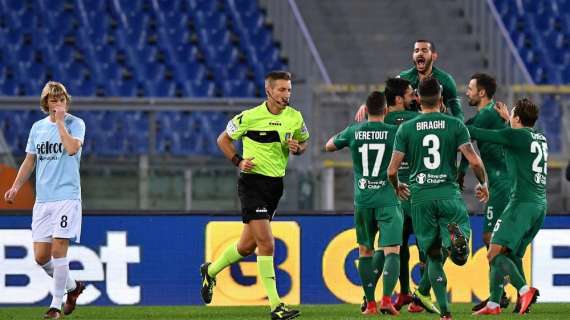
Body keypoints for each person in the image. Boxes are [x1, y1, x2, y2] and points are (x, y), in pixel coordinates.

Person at [200, 71, 308, 320]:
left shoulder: (295, 118)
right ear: (269, 91)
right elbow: (223, 140)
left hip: (275, 187)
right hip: (252, 185)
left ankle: (211, 271)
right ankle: (276, 306)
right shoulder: (248, 117)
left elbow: (303, 143)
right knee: (267, 244)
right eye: (281, 90)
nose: (286, 95)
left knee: (247, 246)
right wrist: (238, 160)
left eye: (289, 90)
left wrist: (297, 149)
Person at [387, 78, 488, 320]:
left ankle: (445, 312)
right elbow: (474, 160)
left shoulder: (406, 129)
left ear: (419, 99)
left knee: (432, 255)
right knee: (460, 255)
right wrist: (483, 183)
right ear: (441, 100)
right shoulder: (455, 125)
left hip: (420, 198)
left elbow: (391, 170)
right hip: (448, 193)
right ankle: (457, 242)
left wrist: (398, 185)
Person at [4, 81, 86, 319]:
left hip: (67, 197)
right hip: (43, 201)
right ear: (46, 103)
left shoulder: (75, 123)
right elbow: (30, 160)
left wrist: (61, 123)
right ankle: (73, 288)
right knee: (41, 257)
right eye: (53, 100)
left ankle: (55, 306)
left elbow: (71, 149)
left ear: (66, 102)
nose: (58, 104)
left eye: (61, 100)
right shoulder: (37, 128)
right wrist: (16, 187)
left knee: (59, 250)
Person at [324, 91, 402, 315]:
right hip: (387, 199)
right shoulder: (394, 132)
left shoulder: (354, 131)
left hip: (363, 200)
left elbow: (329, 145)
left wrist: (352, 135)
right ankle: (387, 299)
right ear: (386, 111)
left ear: (366, 110)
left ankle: (370, 304)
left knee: (365, 251)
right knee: (392, 251)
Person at [469, 98, 545, 315]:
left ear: (518, 119)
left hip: (521, 204)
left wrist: (451, 124)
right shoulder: (540, 137)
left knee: (493, 253)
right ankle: (494, 304)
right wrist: (507, 118)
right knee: (510, 255)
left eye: (512, 114)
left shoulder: (513, 135)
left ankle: (524, 289)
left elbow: (477, 133)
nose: (508, 116)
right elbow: (523, 132)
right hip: (539, 206)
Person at [460, 73, 511, 312]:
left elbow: (462, 133)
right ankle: (501, 294)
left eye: (470, 89)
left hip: (503, 183)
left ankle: (503, 294)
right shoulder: (487, 115)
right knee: (497, 241)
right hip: (499, 182)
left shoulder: (489, 114)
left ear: (482, 93)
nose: (467, 92)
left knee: (492, 239)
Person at [382, 78, 424, 313]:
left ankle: (404, 291)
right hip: (418, 190)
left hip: (394, 192)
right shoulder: (419, 119)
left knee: (398, 247)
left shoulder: (381, 119)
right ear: (399, 99)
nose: (414, 97)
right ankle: (421, 296)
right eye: (410, 94)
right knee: (424, 244)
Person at [355, 40, 463, 121]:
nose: (420, 53)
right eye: (416, 51)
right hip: (411, 128)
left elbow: (457, 111)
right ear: (413, 56)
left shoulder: (446, 80)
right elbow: (387, 95)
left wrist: (460, 128)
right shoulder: (404, 77)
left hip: (435, 126)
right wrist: (368, 105)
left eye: (424, 50)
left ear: (434, 56)